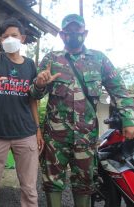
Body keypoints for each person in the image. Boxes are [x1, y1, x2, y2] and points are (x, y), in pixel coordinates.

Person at [30, 13, 134, 207]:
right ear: (62, 35)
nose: (73, 34)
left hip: (86, 137)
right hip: (56, 138)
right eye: (68, 31)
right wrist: (39, 84)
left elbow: (119, 90)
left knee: (85, 183)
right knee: (52, 183)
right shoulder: (51, 59)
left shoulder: (99, 59)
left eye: (77, 30)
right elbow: (34, 95)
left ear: (85, 33)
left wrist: (128, 120)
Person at [0, 17, 44, 207]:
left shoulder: (30, 65)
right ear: (0, 41)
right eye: (5, 36)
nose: (9, 39)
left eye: (14, 35)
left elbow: (32, 99)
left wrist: (37, 129)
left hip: (26, 133)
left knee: (30, 188)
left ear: (22, 38)